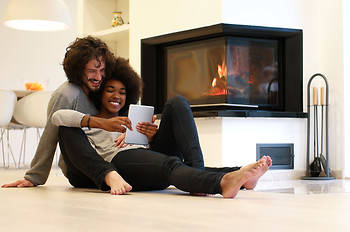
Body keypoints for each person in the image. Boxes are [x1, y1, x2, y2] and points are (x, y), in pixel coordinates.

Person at [52, 57, 272, 197]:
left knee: (177, 103)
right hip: (119, 165)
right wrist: (103, 124)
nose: (116, 96)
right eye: (110, 89)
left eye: (122, 92)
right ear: (100, 93)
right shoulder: (88, 124)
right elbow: (58, 116)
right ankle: (221, 182)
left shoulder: (132, 119)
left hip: (148, 162)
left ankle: (239, 176)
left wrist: (152, 138)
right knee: (171, 164)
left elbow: (151, 154)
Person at [2, 36, 116, 188]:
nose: (98, 77)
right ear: (78, 69)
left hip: (109, 157)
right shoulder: (66, 94)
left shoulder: (104, 88)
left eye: (102, 70)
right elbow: (50, 134)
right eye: (92, 71)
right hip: (80, 167)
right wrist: (34, 176)